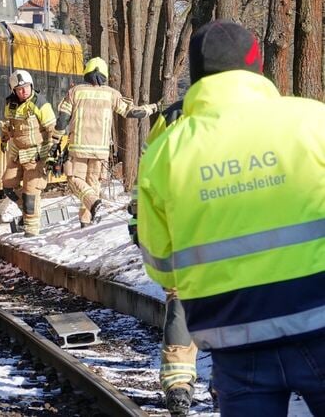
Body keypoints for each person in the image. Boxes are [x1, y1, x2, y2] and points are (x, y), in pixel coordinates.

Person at [138, 20, 325, 416]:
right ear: (258, 68)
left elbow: (161, 264)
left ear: (197, 75)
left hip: (235, 345)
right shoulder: (313, 122)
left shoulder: (166, 152)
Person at [127, 98, 197, 416]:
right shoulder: (245, 115)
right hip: (230, 227)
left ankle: (179, 387)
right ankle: (223, 381)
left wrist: (137, 221)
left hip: (182, 227)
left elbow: (147, 173)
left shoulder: (170, 118)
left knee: (181, 299)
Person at [51, 56, 158, 228]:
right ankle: (86, 220)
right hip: (101, 151)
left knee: (74, 179)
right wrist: (154, 107)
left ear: (86, 73)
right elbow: (132, 113)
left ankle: (94, 204)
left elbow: (62, 120)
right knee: (93, 183)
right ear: (105, 75)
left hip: (78, 148)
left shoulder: (75, 92)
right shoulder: (111, 94)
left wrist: (55, 141)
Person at [0, 70, 56, 236]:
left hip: (36, 156)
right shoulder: (10, 105)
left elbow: (52, 130)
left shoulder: (41, 104)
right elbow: (9, 125)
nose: (23, 91)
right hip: (17, 155)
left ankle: (31, 232)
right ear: (14, 91)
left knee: (30, 193)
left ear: (31, 86)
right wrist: (4, 139)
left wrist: (51, 154)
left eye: (25, 87)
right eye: (19, 89)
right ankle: (27, 211)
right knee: (9, 187)